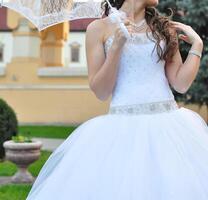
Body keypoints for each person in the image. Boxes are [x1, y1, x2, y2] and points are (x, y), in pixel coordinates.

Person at [26, 0, 207, 199]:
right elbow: (101, 91)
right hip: (121, 131)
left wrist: (197, 45)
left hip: (169, 129)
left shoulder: (164, 28)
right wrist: (116, 47)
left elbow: (181, 84)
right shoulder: (98, 29)